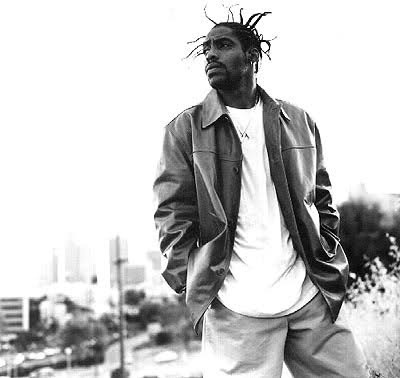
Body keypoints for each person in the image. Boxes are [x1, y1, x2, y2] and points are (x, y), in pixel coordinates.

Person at [153, 8, 367, 378]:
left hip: (309, 297)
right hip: (237, 310)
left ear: (251, 55)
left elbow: (321, 198)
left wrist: (328, 258)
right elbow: (172, 214)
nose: (211, 55)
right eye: (206, 49)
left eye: (222, 45)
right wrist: (195, 284)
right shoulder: (185, 129)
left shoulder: (299, 122)